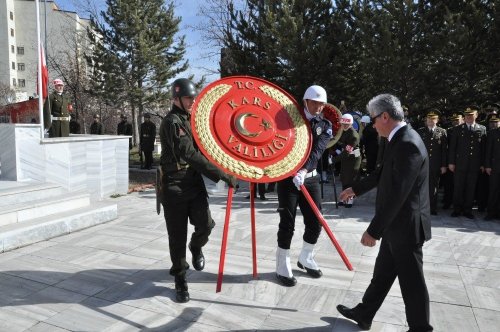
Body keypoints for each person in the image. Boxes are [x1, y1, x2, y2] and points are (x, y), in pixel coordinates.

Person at [337, 94, 433, 332]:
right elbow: (382, 174)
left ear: (386, 116)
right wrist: (355, 189)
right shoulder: (397, 138)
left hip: (406, 227)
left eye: (373, 119)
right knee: (382, 274)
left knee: (412, 283)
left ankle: (421, 328)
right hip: (396, 225)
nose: (372, 124)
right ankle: (365, 313)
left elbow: (398, 195)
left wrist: (374, 230)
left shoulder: (408, 143)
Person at [159, 78, 237, 303]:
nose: (192, 101)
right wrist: (222, 174)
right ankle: (180, 278)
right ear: (176, 99)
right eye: (187, 98)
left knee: (205, 225)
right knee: (177, 236)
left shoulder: (192, 119)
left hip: (193, 182)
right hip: (174, 184)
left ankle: (196, 246)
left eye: (193, 97)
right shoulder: (173, 122)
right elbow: (190, 155)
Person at [275, 85, 332, 287]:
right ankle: (282, 264)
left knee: (316, 221)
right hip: (287, 179)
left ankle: (306, 257)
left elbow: (317, 151)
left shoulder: (325, 125)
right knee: (287, 222)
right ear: (305, 101)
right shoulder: (287, 120)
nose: (318, 106)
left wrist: (304, 171)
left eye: (321, 103)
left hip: (310, 177)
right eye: (315, 102)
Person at [448, 106, 487, 219]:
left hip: (474, 165)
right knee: (458, 188)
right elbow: (452, 148)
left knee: (471, 188)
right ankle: (456, 209)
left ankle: (467, 210)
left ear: (476, 116)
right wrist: (451, 162)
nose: (468, 117)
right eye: (466, 115)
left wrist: (483, 164)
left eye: (471, 115)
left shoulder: (482, 129)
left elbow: (483, 149)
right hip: (460, 164)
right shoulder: (457, 129)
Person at [417, 109, 447, 215]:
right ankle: (421, 207)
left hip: (435, 164)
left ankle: (432, 208)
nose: (430, 120)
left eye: (433, 119)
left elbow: (444, 150)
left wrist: (443, 165)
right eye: (429, 118)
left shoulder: (442, 132)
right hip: (422, 164)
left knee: (434, 187)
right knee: (421, 186)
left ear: (437, 120)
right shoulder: (421, 131)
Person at [334, 113, 361, 207]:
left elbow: (347, 151)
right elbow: (342, 143)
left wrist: (334, 160)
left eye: (346, 124)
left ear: (351, 124)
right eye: (343, 124)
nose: (344, 126)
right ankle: (343, 197)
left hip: (353, 159)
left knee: (350, 180)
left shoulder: (354, 135)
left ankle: (350, 200)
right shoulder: (344, 131)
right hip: (346, 157)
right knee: (344, 178)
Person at [442, 112, 464, 210]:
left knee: (460, 185)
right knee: (448, 184)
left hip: (461, 161)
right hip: (450, 161)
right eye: (453, 120)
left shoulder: (465, 130)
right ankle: (447, 202)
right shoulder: (448, 131)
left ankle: (460, 204)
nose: (455, 122)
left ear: (462, 119)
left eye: (457, 120)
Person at [484, 115, 500, 220]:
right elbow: (488, 151)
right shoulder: (494, 133)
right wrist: (488, 166)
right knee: (493, 190)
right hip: (495, 167)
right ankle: (491, 213)